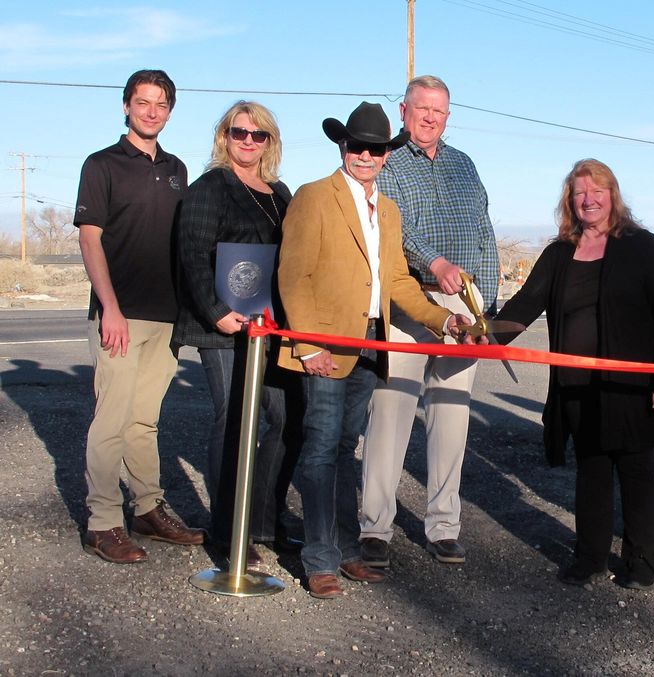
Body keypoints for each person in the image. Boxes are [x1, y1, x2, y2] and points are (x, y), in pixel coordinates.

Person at [275, 102, 470, 599]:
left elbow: (399, 282)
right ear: (343, 148)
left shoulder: (388, 210)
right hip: (324, 346)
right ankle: (319, 559)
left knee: (343, 448)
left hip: (369, 344)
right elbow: (293, 275)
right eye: (357, 146)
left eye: (375, 148)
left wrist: (443, 319)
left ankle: (345, 549)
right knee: (319, 449)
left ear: (387, 154)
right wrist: (307, 342)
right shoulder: (314, 197)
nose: (365, 155)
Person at [495, 159, 654, 589]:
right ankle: (590, 556)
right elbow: (526, 303)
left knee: (636, 472)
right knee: (592, 470)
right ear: (570, 201)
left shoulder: (640, 245)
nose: (589, 199)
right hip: (577, 387)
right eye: (580, 193)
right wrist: (488, 336)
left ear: (613, 196)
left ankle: (641, 562)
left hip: (632, 385)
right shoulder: (560, 252)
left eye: (597, 191)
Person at [360, 75, 500, 568]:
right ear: (403, 110)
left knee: (451, 415)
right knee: (391, 414)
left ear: (448, 116)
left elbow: (484, 229)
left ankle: (443, 525)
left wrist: (488, 300)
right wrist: (434, 263)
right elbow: (393, 230)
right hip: (408, 302)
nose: (430, 118)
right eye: (422, 109)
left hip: (465, 306)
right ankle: (375, 526)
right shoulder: (389, 162)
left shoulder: (465, 165)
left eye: (439, 111)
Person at [74, 69, 205, 564]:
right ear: (126, 106)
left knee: (144, 421)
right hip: (120, 315)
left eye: (161, 104)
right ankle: (103, 521)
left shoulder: (177, 169)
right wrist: (110, 307)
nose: (151, 111)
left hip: (166, 317)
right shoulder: (102, 165)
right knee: (111, 420)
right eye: (142, 102)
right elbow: (90, 238)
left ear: (170, 111)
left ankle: (148, 509)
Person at [173, 101, 302, 568]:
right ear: (223, 136)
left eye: (257, 134)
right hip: (224, 328)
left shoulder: (280, 192)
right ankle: (228, 532)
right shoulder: (210, 188)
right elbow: (191, 255)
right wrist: (217, 312)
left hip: (270, 327)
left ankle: (265, 518)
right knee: (234, 419)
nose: (247, 140)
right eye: (238, 131)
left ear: (270, 141)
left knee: (286, 418)